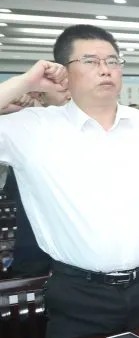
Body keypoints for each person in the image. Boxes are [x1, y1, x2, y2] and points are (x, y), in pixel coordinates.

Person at [0, 24, 139, 338]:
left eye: (112, 61)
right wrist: (25, 82)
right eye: (90, 61)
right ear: (63, 72)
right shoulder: (31, 130)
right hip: (79, 292)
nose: (105, 70)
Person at [4, 86, 72, 277]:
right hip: (34, 242)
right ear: (39, 96)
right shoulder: (21, 130)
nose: (71, 94)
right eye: (64, 89)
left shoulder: (90, 130)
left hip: (80, 248)